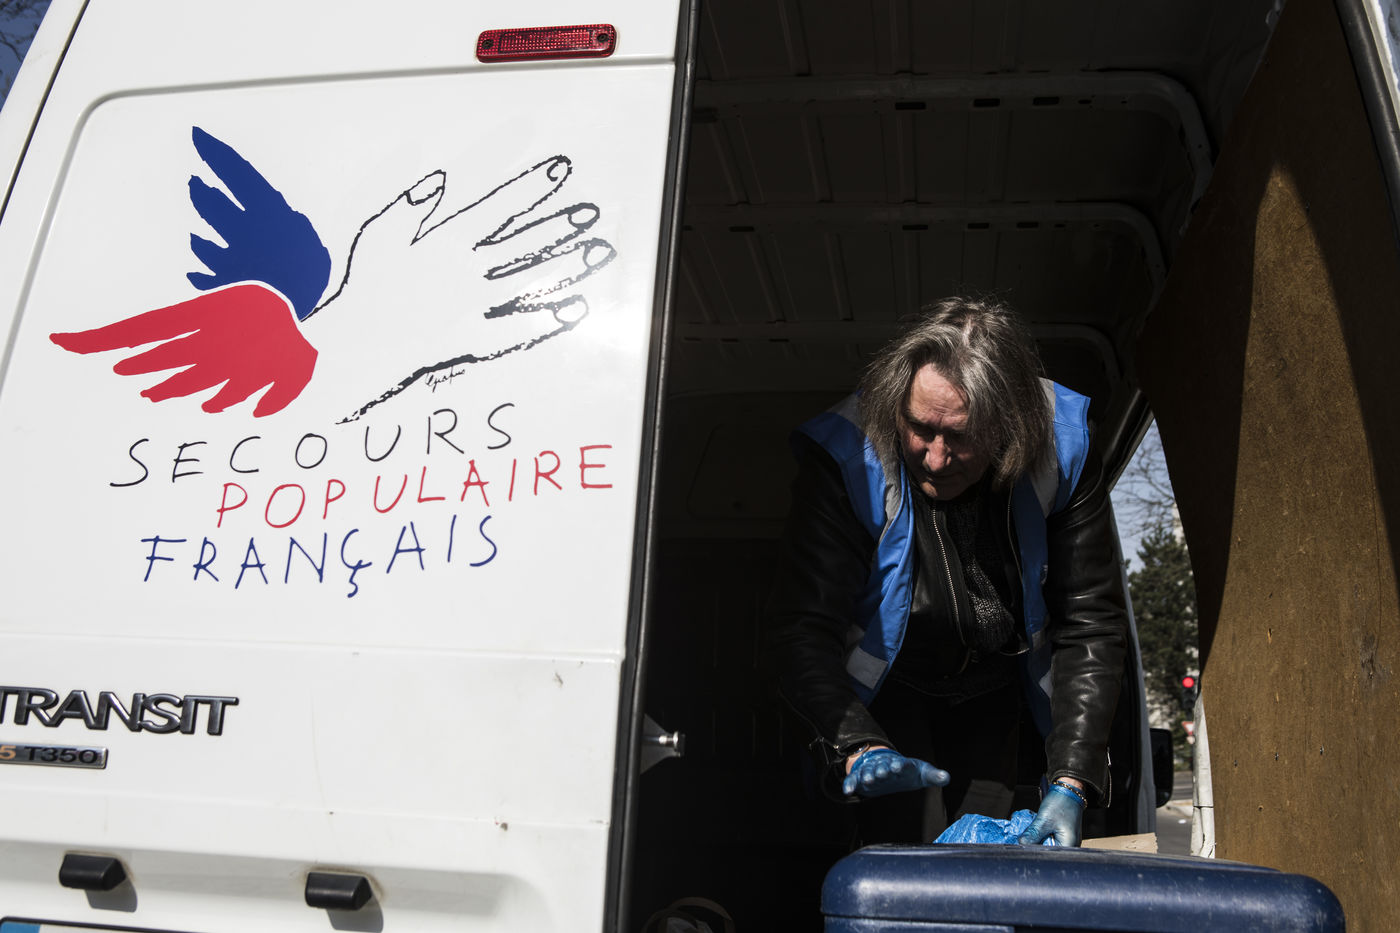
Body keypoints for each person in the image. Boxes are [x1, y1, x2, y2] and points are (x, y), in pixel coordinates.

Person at [764, 297, 1129, 847]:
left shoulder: (1065, 443)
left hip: (996, 690)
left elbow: (1091, 622)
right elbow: (800, 629)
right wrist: (856, 744)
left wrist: (1072, 781)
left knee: (987, 862)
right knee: (893, 856)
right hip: (885, 696)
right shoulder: (846, 453)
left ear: (1010, 426)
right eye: (919, 429)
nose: (934, 459)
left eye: (960, 436)